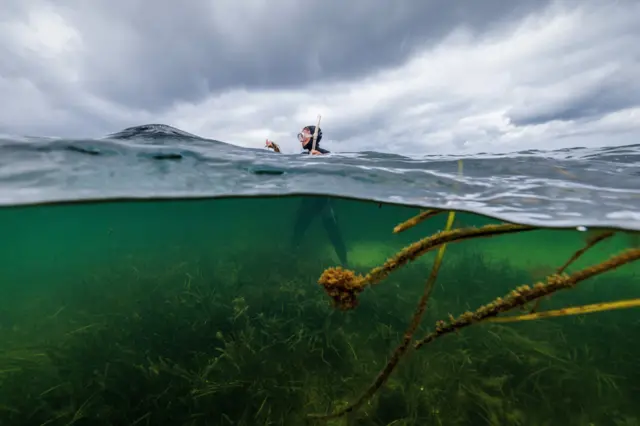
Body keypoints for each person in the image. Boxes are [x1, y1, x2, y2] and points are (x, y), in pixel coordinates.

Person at [265, 125, 349, 267]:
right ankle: (290, 260)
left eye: (302, 136)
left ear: (313, 138)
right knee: (298, 231)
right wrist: (275, 148)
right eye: (300, 136)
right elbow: (286, 164)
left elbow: (342, 168)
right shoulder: (304, 157)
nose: (300, 140)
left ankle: (345, 264)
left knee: (335, 236)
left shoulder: (326, 155)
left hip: (324, 204)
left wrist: (323, 159)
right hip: (308, 202)